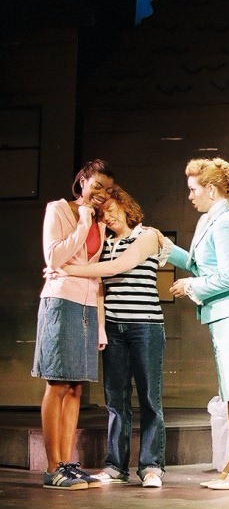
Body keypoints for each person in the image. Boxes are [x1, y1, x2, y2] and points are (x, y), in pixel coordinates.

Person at [56, 187, 169, 488]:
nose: (107, 216)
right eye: (102, 213)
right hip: (115, 328)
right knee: (116, 400)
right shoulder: (105, 244)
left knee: (149, 398)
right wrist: (102, 328)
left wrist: (69, 269)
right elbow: (100, 286)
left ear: (125, 205)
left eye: (111, 208)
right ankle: (116, 466)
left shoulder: (147, 235)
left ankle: (151, 466)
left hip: (146, 326)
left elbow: (119, 266)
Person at [166, 158, 229, 490]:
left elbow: (227, 278)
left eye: (193, 189)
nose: (190, 196)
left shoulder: (225, 223)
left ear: (210, 189)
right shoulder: (210, 219)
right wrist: (167, 249)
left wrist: (189, 285)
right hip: (226, 313)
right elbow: (201, 264)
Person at [33, 159, 115, 489]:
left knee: (76, 387)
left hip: (86, 307)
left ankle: (67, 464)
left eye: (107, 189)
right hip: (60, 301)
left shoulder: (101, 222)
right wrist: (82, 221)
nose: (101, 193)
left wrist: (100, 324)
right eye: (97, 186)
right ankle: (53, 468)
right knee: (58, 383)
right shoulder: (59, 210)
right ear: (83, 182)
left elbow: (95, 275)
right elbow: (53, 258)